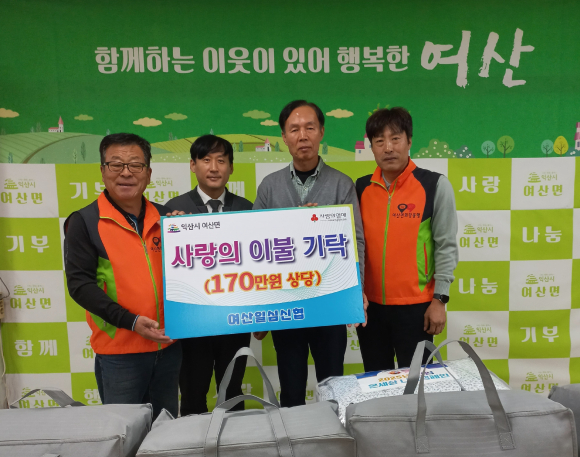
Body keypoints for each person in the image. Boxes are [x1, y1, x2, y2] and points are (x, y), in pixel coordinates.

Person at [253, 100, 366, 407]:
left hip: (329, 303)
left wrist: (355, 292)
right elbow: (255, 245)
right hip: (286, 305)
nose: (302, 136)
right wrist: (259, 307)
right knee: (291, 388)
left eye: (309, 128)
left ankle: (334, 434)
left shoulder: (341, 184)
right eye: (294, 129)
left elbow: (355, 240)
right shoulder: (269, 186)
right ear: (284, 136)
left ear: (321, 133)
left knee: (333, 387)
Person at [64, 133, 181, 419]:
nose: (126, 172)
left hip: (169, 347)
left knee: (167, 431)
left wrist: (188, 235)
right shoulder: (85, 222)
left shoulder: (168, 219)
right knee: (124, 432)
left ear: (148, 173)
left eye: (135, 165)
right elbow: (80, 286)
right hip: (120, 353)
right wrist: (131, 321)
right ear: (102, 171)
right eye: (116, 164)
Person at [355, 107, 458, 371]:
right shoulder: (360, 188)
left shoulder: (434, 185)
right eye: (379, 141)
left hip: (416, 308)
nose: (388, 148)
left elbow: (446, 245)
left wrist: (440, 299)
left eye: (395, 139)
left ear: (409, 141)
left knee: (416, 385)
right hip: (370, 308)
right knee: (377, 383)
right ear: (371, 147)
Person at [165, 134, 253, 416]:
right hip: (193, 322)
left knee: (233, 394)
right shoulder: (173, 210)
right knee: (192, 395)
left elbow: (258, 265)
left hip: (235, 320)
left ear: (231, 167)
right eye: (206, 160)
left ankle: (235, 440)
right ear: (193, 165)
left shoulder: (247, 208)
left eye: (221, 161)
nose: (214, 168)